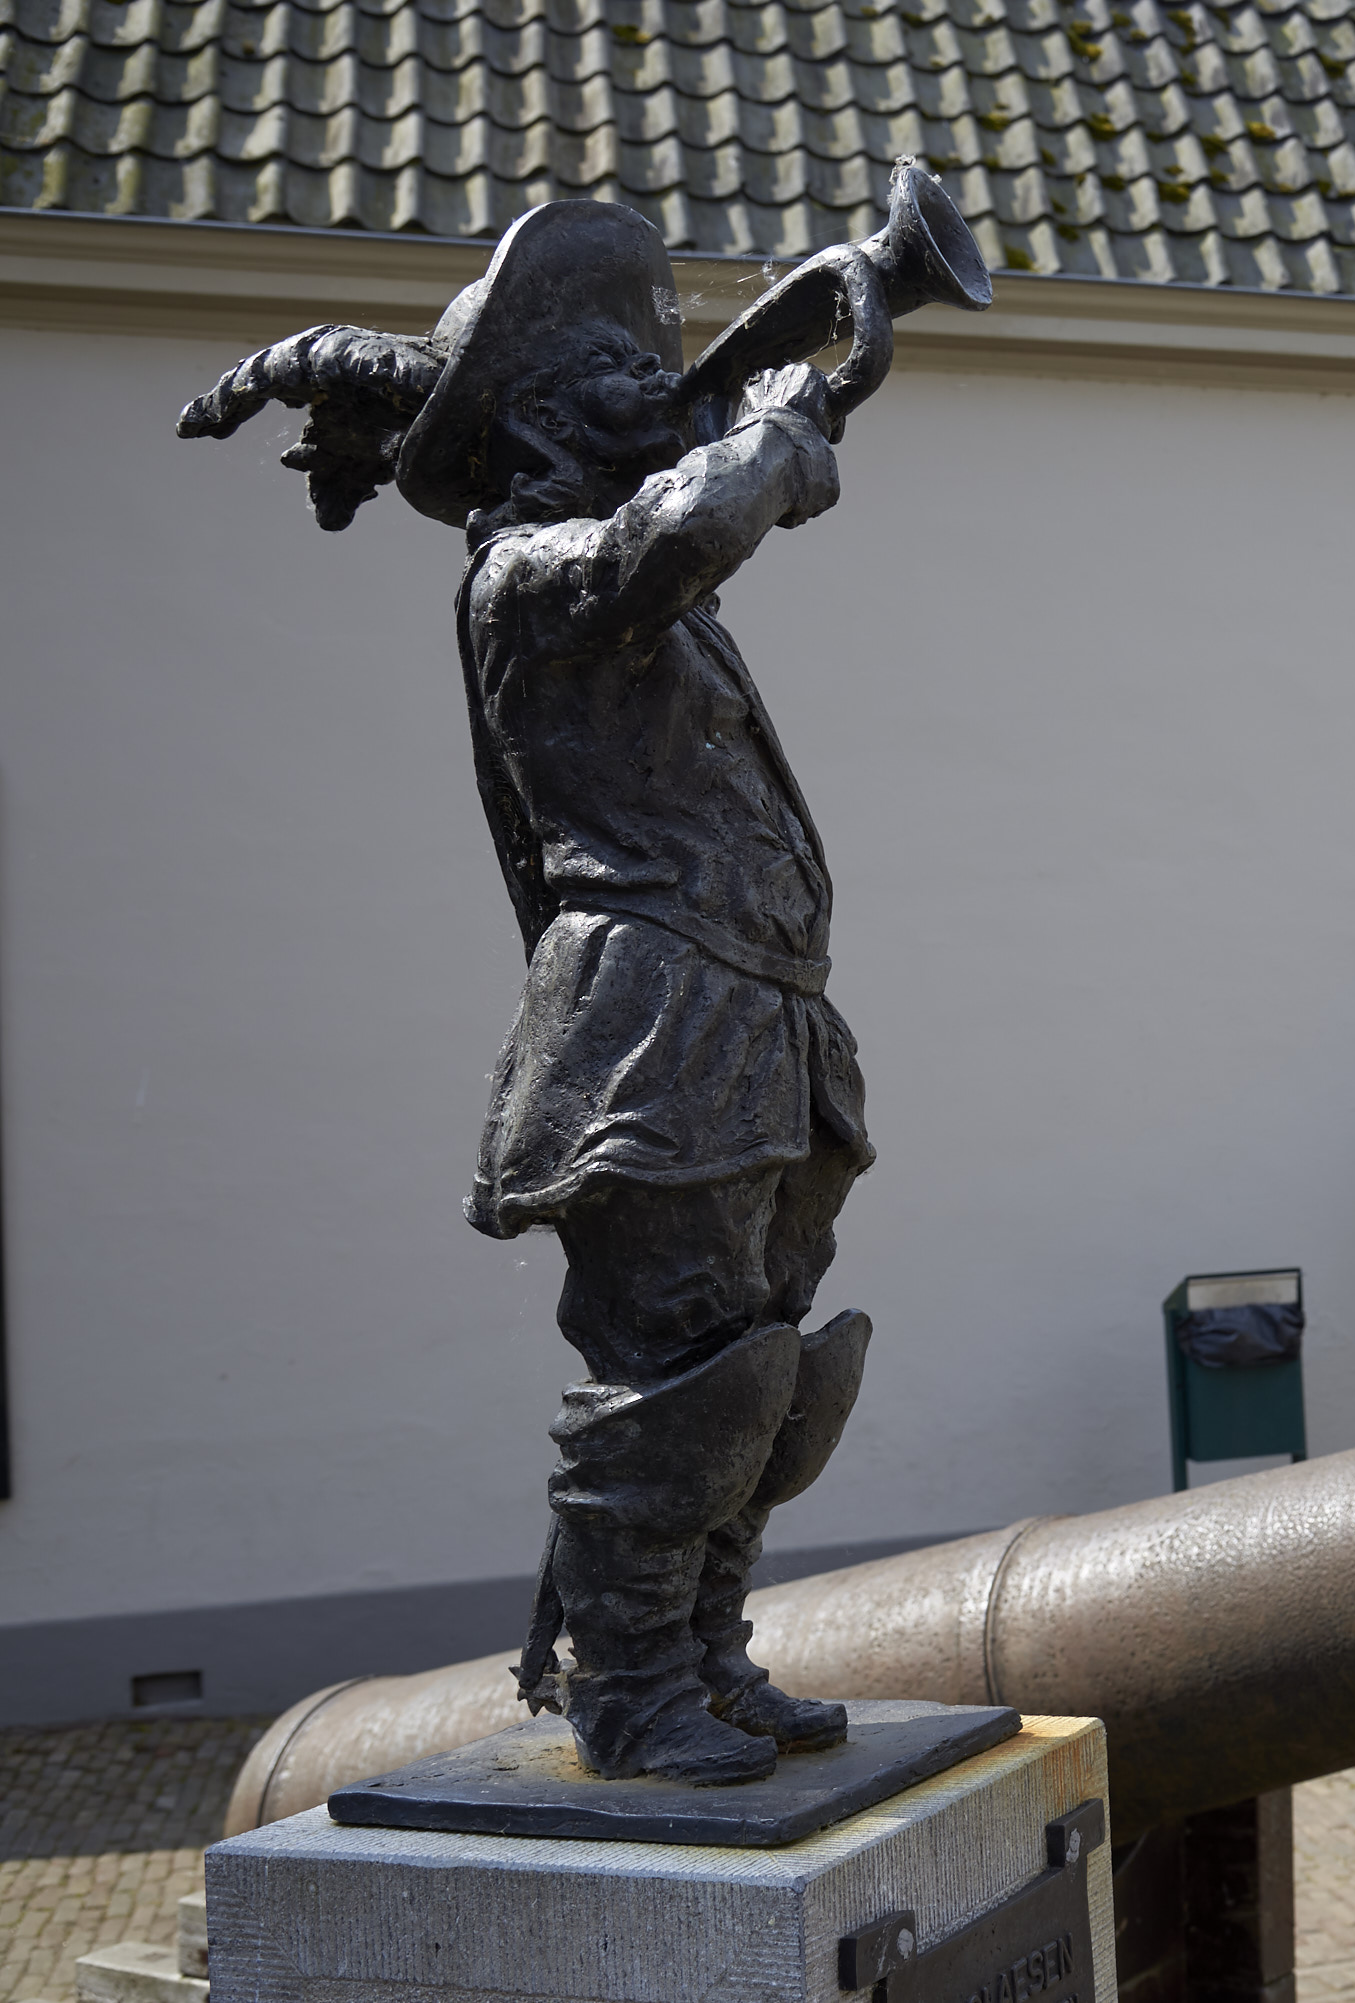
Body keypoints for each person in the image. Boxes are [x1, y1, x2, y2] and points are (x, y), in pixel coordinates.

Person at [180, 202, 877, 1785]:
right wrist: (776, 434)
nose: (664, 383)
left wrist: (789, 420)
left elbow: (697, 519)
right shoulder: (531, 577)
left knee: (763, 1361)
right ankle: (629, 1686)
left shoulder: (650, 586)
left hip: (759, 1006)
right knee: (676, 1373)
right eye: (626, 372)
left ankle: (706, 1652)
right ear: (547, 419)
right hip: (652, 1020)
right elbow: (677, 529)